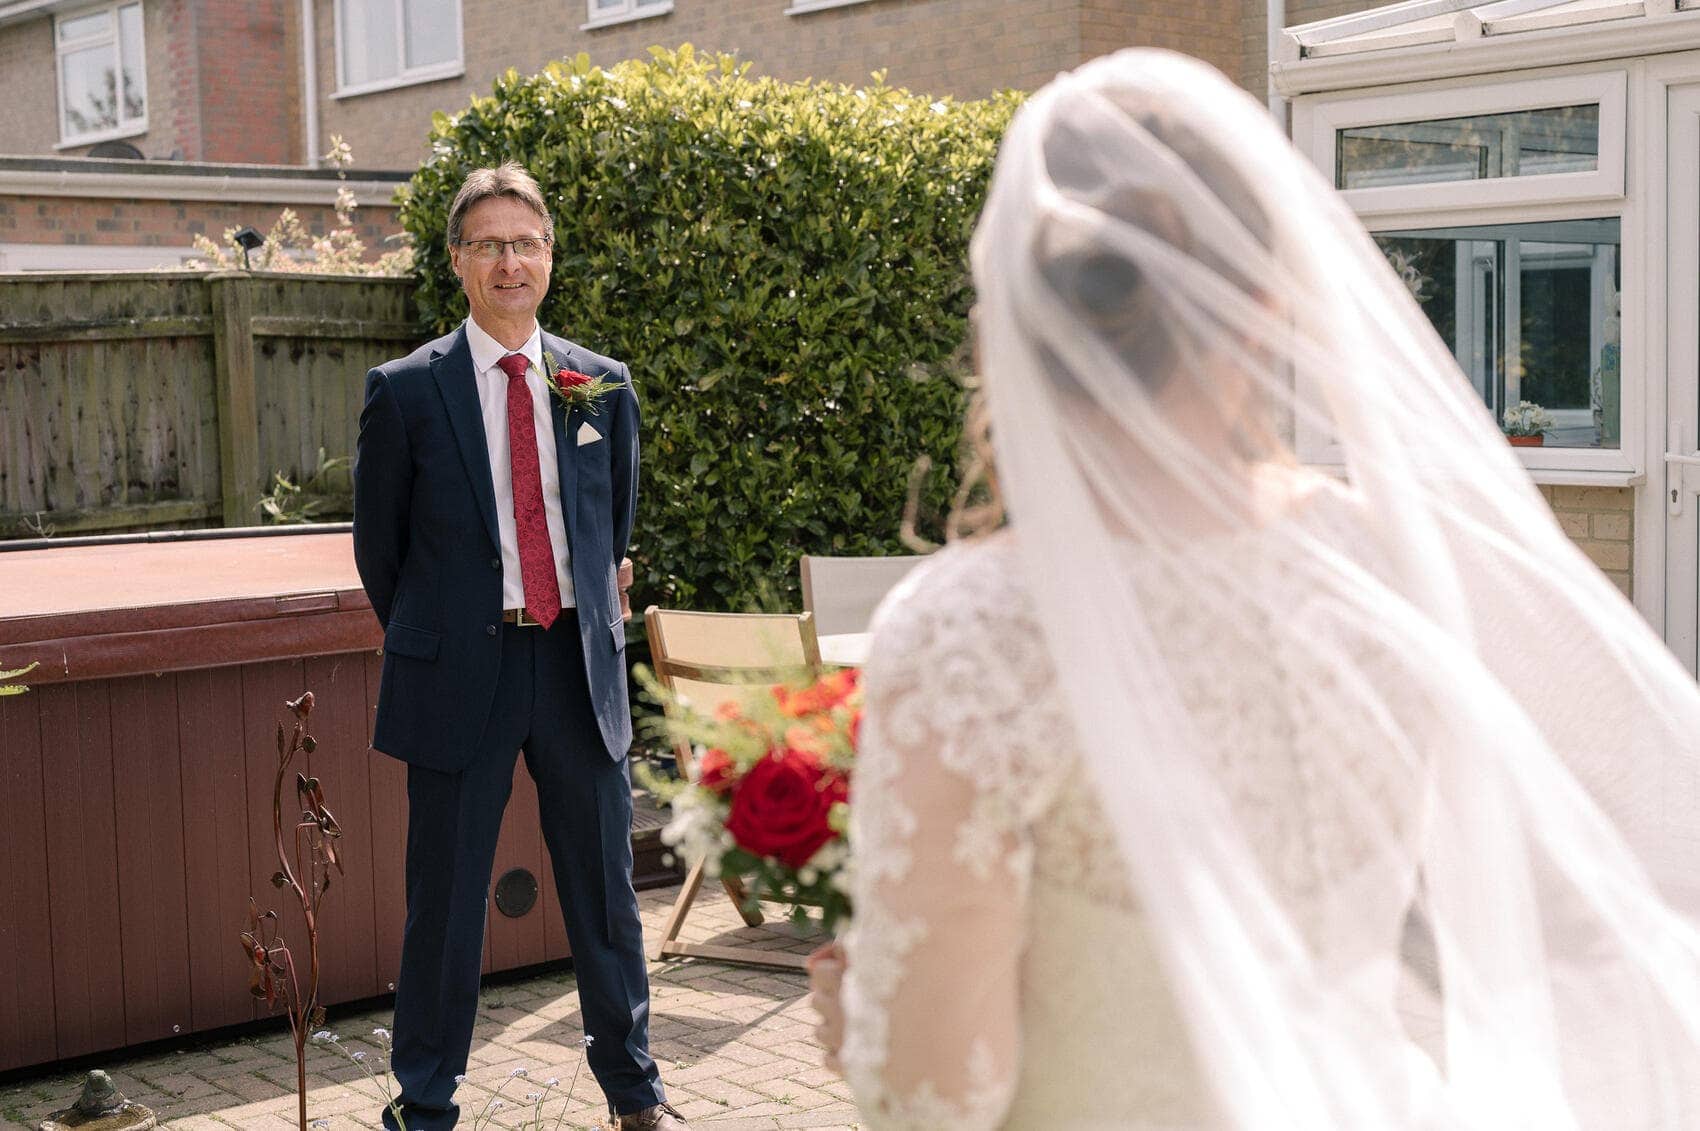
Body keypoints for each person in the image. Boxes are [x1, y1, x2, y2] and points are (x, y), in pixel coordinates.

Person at [809, 49, 1700, 1129]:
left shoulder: (971, 630)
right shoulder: (1387, 561)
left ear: (1017, 320)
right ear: (1270, 302)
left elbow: (938, 1096)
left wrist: (861, 1018)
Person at [353, 163, 685, 1131]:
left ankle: (635, 1095)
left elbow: (610, 526)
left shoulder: (599, 387)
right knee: (444, 907)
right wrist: (444, 635)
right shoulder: (405, 391)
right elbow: (382, 552)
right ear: (457, 260)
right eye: (489, 243)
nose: (510, 260)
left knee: (605, 898)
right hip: (462, 671)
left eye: (526, 242)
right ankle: (423, 1105)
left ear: (550, 257)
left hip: (575, 670)